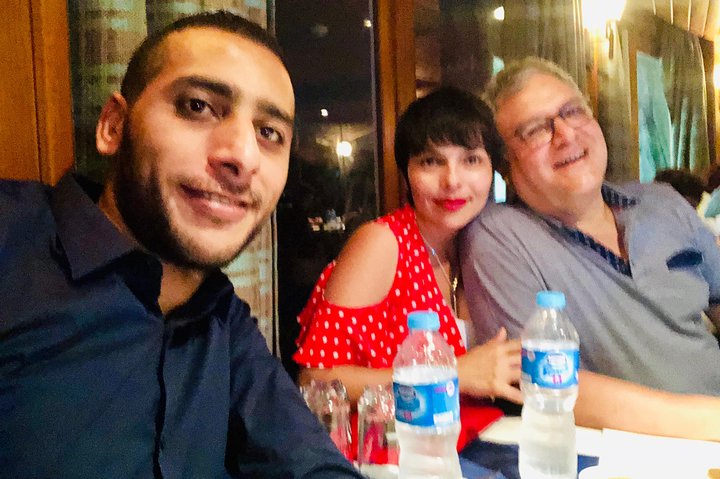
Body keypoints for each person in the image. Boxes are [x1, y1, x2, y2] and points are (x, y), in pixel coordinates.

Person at [0, 11, 363, 478]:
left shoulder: (221, 320)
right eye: (198, 106)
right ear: (113, 126)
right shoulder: (13, 240)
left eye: (269, 133)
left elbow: (309, 463)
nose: (243, 156)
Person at [461, 56, 720, 441]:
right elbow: (545, 383)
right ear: (504, 165)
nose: (565, 134)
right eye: (536, 130)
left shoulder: (663, 202)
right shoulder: (499, 236)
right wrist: (710, 422)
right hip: (635, 454)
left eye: (573, 111)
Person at [293, 87, 523, 448]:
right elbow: (315, 381)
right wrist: (452, 374)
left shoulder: (477, 244)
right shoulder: (381, 243)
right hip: (387, 454)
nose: (452, 181)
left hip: (470, 443)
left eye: (471, 160)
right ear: (407, 172)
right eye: (431, 162)